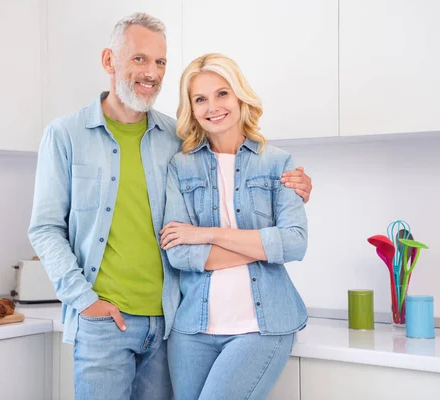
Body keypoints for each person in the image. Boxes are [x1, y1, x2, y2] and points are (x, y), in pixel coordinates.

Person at [28, 13, 312, 400]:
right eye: (140, 59)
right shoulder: (66, 135)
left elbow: (232, 169)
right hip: (103, 322)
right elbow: (45, 229)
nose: (152, 72)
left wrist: (295, 184)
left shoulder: (175, 141)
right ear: (109, 61)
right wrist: (83, 300)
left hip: (168, 323)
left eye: (160, 62)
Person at [160, 53, 309, 400]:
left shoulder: (278, 163)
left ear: (240, 95)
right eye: (200, 99)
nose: (213, 106)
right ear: (192, 108)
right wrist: (260, 248)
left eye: (222, 93)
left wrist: (206, 234)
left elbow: (294, 243)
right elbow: (180, 252)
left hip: (261, 327)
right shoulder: (180, 167)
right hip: (191, 331)